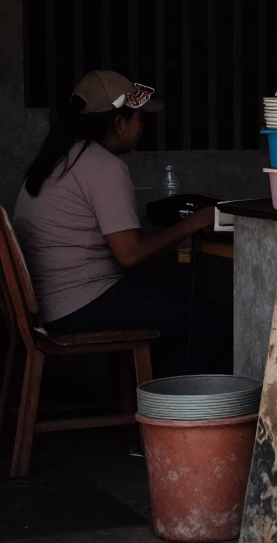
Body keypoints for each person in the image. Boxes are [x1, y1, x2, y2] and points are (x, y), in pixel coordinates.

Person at [13, 71, 227, 377]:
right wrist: (195, 222)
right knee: (209, 317)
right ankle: (176, 412)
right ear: (118, 123)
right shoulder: (104, 166)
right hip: (78, 306)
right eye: (140, 119)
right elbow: (129, 255)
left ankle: (153, 396)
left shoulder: (55, 159)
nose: (142, 127)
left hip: (51, 303)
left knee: (177, 291)